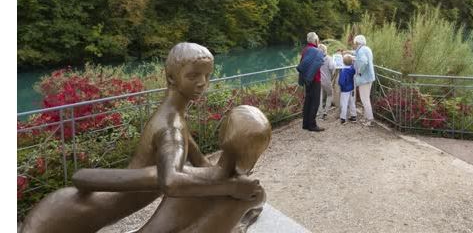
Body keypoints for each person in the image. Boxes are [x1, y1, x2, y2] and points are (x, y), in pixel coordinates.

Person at [20, 43, 261, 233]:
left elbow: (204, 167)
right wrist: (231, 187)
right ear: (171, 78)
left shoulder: (174, 117)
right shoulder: (171, 129)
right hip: (64, 217)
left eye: (207, 75)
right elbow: (172, 183)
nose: (202, 83)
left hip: (69, 205)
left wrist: (233, 171)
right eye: (193, 76)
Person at [296, 32, 325, 132]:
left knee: (308, 101)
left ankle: (305, 124)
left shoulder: (305, 49)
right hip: (315, 79)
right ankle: (312, 125)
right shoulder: (317, 51)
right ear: (316, 40)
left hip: (306, 79)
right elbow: (320, 62)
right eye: (318, 39)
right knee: (314, 102)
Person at [353, 35, 376, 126]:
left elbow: (363, 61)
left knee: (365, 99)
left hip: (364, 78)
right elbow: (357, 54)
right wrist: (349, 52)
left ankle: (370, 119)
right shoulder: (366, 49)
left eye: (355, 43)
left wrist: (359, 72)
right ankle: (367, 118)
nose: (354, 45)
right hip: (369, 77)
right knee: (366, 98)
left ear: (358, 43)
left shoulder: (361, 50)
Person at [317, 43, 336, 120]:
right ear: (325, 50)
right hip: (327, 80)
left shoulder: (316, 58)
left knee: (319, 97)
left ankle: (319, 113)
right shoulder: (329, 58)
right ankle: (325, 111)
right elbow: (332, 67)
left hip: (318, 80)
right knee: (330, 95)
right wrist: (332, 75)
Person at [338, 54, 357, 124]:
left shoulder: (343, 71)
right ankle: (353, 116)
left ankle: (343, 118)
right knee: (352, 102)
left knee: (344, 103)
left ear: (343, 62)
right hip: (351, 88)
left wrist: (340, 85)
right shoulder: (352, 69)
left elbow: (341, 82)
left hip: (344, 90)